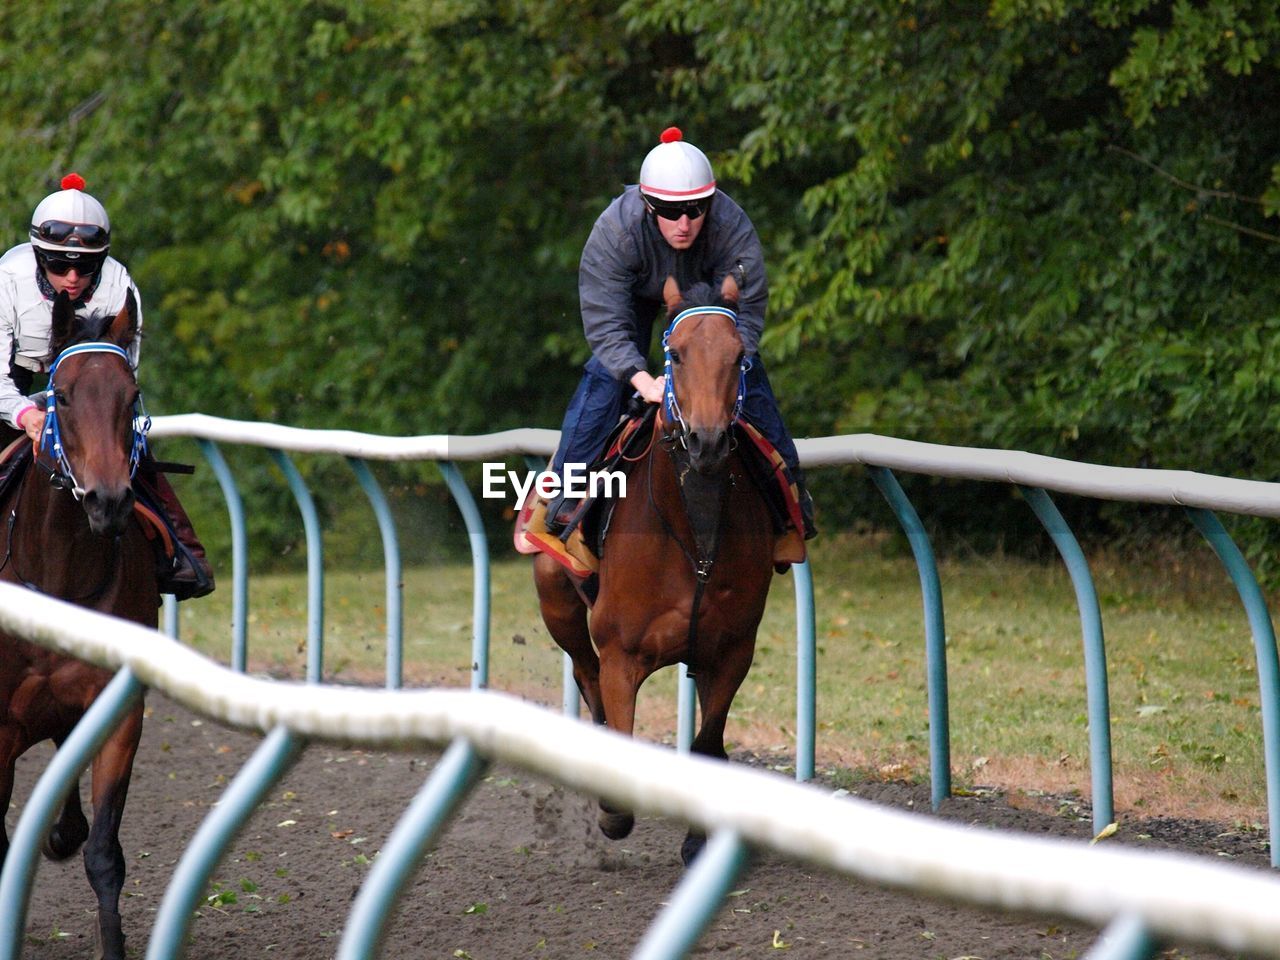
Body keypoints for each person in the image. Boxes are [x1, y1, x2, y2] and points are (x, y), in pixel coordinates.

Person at [548, 127, 816, 538]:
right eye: (671, 211)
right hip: (633, 300)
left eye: (697, 208)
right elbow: (606, 324)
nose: (686, 223)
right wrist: (641, 380)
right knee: (606, 377)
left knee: (746, 372)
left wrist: (729, 364)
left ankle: (791, 494)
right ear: (647, 204)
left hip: (708, 300)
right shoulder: (615, 232)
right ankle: (565, 494)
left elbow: (747, 314)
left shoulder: (730, 225)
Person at [0, 173, 215, 600]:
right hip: (15, 381)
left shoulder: (120, 287)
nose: (74, 277)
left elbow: (123, 380)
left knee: (127, 448)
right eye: (60, 265)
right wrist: (27, 415)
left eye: (86, 266)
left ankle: (182, 551)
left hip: (90, 386)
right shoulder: (7, 279)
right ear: (40, 256)